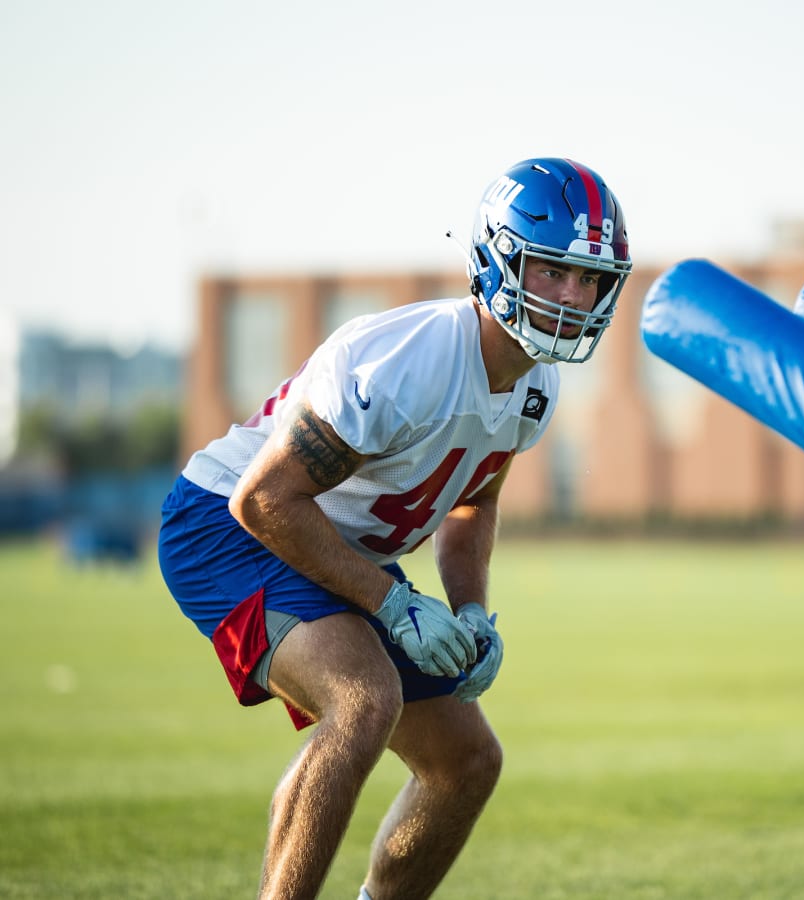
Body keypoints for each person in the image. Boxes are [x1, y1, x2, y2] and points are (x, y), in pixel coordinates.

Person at [158, 157, 632, 900]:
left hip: (328, 545)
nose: (575, 297)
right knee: (363, 698)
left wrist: (469, 607)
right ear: (499, 260)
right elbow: (263, 501)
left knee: (465, 764)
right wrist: (394, 603)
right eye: (553, 272)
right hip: (226, 526)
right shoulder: (409, 362)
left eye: (590, 279)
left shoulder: (535, 386)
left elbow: (475, 501)